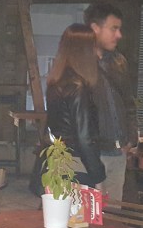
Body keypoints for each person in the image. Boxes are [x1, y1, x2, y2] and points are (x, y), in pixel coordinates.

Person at [84, 2, 138, 202]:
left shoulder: (118, 61)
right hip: (92, 153)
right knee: (88, 213)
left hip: (118, 151)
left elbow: (128, 102)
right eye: (113, 28)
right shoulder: (80, 63)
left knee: (113, 212)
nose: (119, 35)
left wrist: (131, 136)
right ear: (95, 28)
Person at [44, 24, 107, 188]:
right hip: (77, 164)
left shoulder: (56, 82)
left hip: (59, 160)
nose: (98, 53)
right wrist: (98, 174)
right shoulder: (78, 87)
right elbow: (84, 137)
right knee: (80, 205)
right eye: (94, 46)